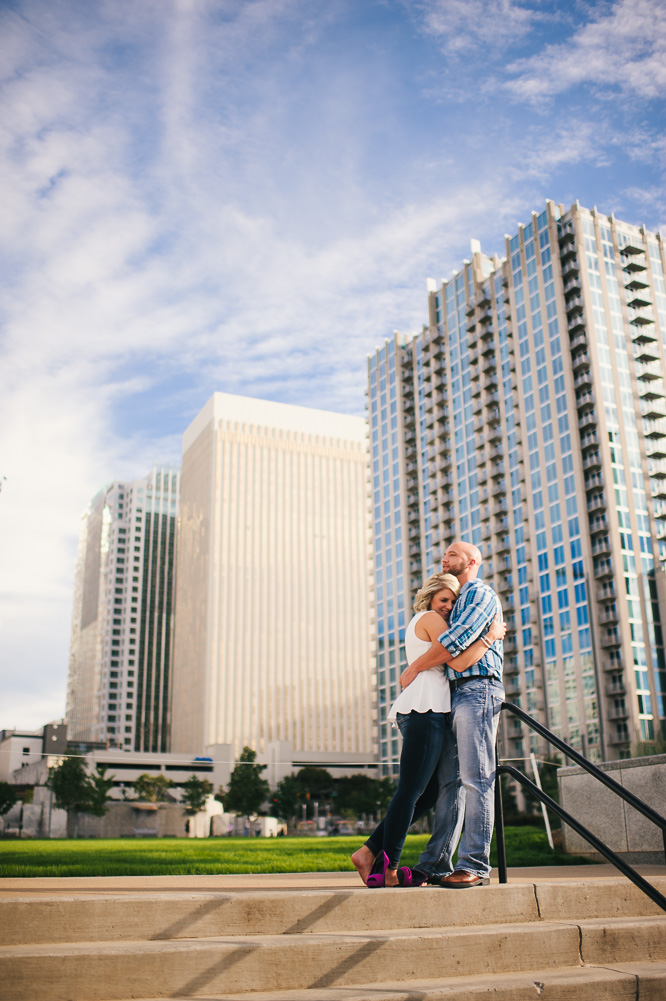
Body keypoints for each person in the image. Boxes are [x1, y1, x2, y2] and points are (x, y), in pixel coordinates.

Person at [351, 572, 505, 888]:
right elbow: (459, 661)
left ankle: (369, 851)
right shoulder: (432, 618)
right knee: (410, 791)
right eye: (444, 599)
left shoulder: (426, 619)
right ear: (431, 598)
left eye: (453, 601)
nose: (449, 606)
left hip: (429, 709)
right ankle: (389, 869)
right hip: (425, 709)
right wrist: (491, 635)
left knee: (429, 792)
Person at [402, 541, 504, 888]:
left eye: (454, 553)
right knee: (452, 784)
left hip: (478, 689)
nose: (445, 557)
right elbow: (452, 657)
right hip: (456, 694)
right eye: (443, 553)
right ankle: (435, 863)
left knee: (476, 779)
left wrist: (414, 667)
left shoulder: (479, 593)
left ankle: (475, 864)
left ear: (473, 561)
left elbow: (456, 645)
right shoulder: (457, 602)